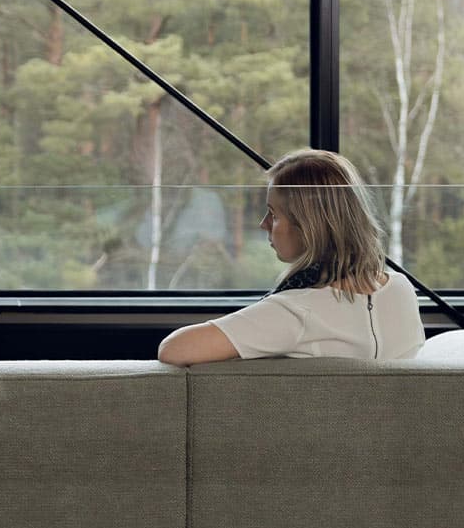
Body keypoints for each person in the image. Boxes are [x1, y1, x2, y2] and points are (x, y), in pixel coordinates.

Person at [157, 149, 423, 367]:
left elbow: (174, 349)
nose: (263, 224)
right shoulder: (401, 288)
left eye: (274, 214)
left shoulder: (297, 310)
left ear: (308, 225)